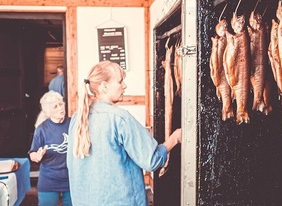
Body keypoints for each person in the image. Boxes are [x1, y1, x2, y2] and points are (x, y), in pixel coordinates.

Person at [67, 60, 182, 206]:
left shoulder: (77, 118)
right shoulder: (120, 118)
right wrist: (175, 138)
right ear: (104, 86)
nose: (124, 86)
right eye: (120, 81)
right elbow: (151, 161)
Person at [28, 90, 72, 206]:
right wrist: (36, 157)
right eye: (55, 107)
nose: (60, 108)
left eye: (61, 104)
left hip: (71, 178)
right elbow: (33, 153)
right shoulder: (41, 129)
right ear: (48, 112)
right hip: (49, 179)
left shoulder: (72, 124)